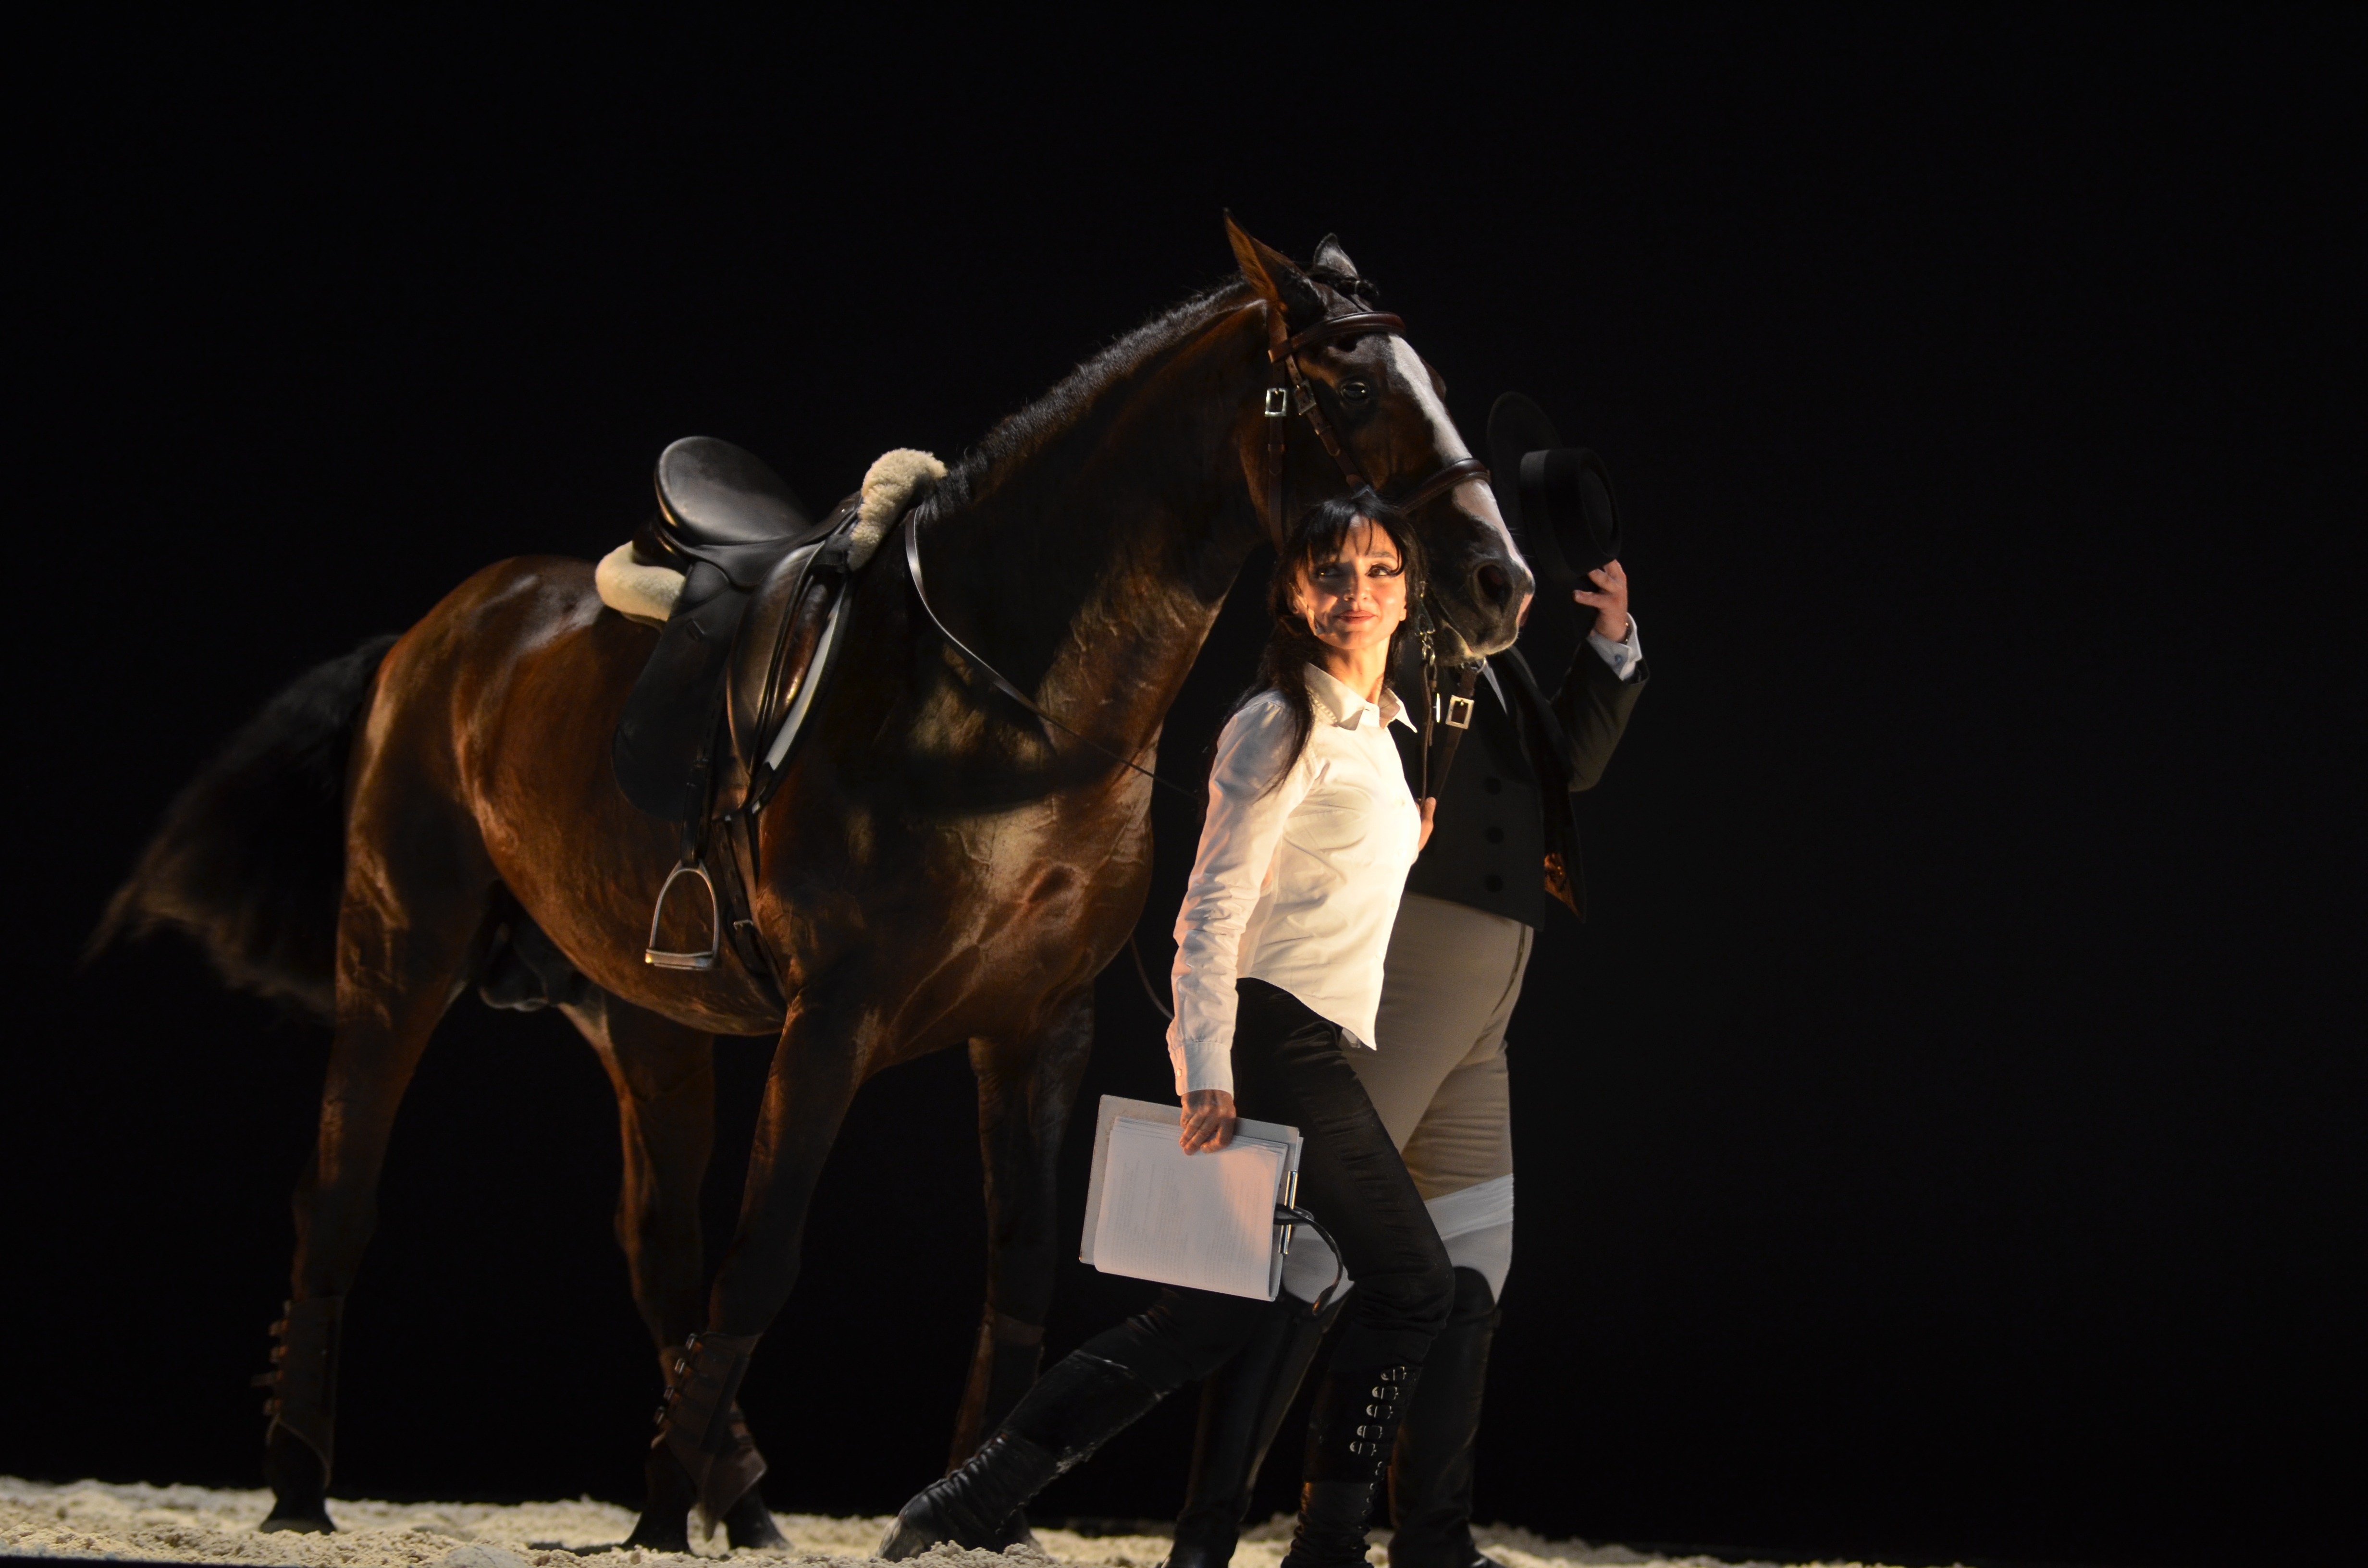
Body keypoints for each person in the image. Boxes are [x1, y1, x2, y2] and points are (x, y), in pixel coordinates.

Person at [880, 493, 1453, 1568]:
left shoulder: (1380, 729)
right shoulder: (1277, 721)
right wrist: (1204, 1069)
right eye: (1332, 573)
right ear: (1290, 591)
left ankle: (966, 1499)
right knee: (1411, 1282)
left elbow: (1319, 882)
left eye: (1380, 572)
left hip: (1307, 1035)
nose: (1358, 594)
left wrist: (1403, 843)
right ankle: (1328, 1545)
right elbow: (1212, 906)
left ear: (1409, 589)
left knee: (1207, 1321)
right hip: (1273, 1041)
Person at [1164, 555, 1647, 1568]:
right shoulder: (1397, 637)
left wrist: (1607, 647)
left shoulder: (1490, 656)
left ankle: (1420, 1534)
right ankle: (1216, 1536)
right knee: (1313, 1255)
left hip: (1491, 993)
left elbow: (1568, 768)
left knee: (1472, 1262)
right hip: (1412, 966)